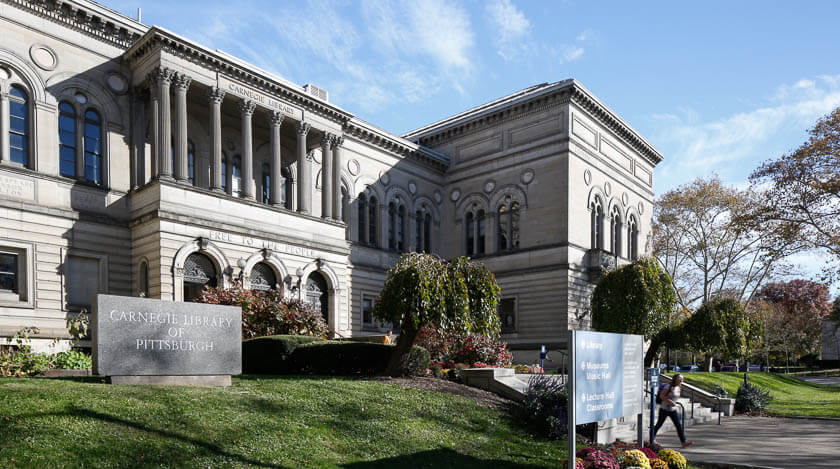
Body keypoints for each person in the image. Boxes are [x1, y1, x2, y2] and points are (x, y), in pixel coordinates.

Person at [653, 373, 693, 447]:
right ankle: (652, 439)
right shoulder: (668, 387)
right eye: (679, 378)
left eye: (682, 378)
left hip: (672, 410)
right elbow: (662, 396)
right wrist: (670, 401)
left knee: (678, 425)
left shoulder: (678, 387)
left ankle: (683, 442)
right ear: (675, 379)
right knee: (659, 424)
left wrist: (673, 402)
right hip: (664, 409)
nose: (681, 380)